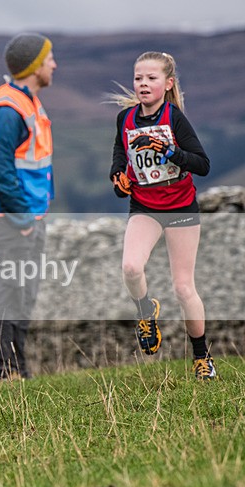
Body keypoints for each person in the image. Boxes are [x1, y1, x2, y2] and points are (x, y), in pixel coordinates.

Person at [107, 52, 214, 380]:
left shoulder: (174, 118)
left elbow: (202, 164)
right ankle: (145, 312)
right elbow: (118, 157)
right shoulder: (125, 119)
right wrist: (118, 180)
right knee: (130, 267)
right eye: (138, 78)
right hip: (145, 208)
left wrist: (169, 151)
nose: (143, 84)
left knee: (183, 289)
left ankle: (201, 358)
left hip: (181, 209)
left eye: (151, 78)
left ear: (167, 84)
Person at [0, 33, 57, 382]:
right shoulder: (10, 108)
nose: (55, 64)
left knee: (23, 291)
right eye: (50, 58)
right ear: (34, 66)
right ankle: (0, 371)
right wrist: (23, 218)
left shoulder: (27, 100)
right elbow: (1, 170)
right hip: (15, 217)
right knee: (8, 289)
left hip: (29, 214)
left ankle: (17, 369)